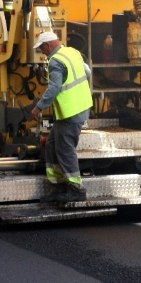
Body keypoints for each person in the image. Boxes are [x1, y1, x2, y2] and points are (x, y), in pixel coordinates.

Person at [30, 31, 93, 203]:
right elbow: (87, 72)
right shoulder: (72, 52)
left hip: (70, 112)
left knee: (65, 150)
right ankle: (59, 186)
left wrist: (38, 108)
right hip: (78, 108)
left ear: (48, 45)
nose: (42, 52)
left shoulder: (55, 61)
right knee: (51, 146)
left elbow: (54, 88)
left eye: (42, 48)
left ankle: (75, 188)